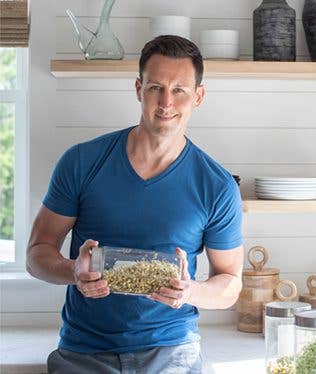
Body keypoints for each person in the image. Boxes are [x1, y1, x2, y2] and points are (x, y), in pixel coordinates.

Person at [26, 35, 244, 373]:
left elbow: (230, 283)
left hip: (172, 352)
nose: (166, 102)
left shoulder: (217, 186)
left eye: (180, 90)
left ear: (198, 96)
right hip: (84, 351)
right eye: (156, 87)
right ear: (139, 88)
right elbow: (37, 253)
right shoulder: (82, 162)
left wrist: (190, 291)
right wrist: (74, 271)